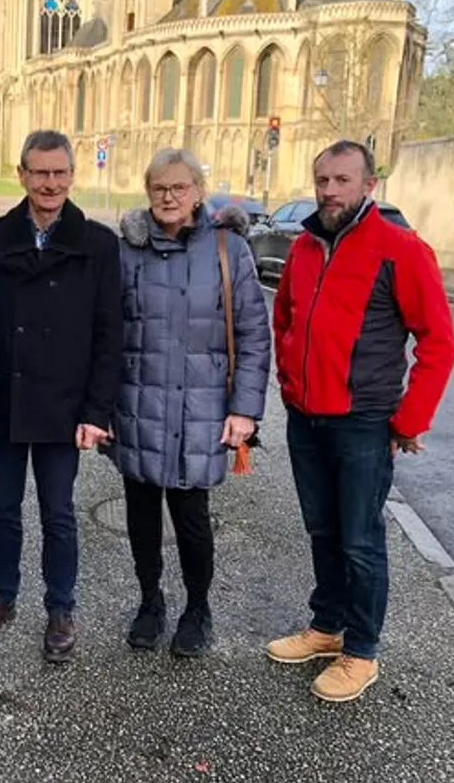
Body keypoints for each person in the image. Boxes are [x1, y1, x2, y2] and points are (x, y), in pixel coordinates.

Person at [267, 140, 454, 702]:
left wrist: (409, 420)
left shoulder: (400, 249)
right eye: (322, 179)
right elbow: (286, 321)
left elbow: (439, 343)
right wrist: (288, 382)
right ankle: (326, 627)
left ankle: (362, 651)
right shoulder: (304, 246)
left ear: (369, 185)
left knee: (360, 541)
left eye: (342, 180)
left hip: (362, 423)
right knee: (321, 529)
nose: (329, 190)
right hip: (305, 418)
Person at [0, 130, 122, 663]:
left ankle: (60, 607)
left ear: (72, 176)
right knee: (3, 510)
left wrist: (97, 412)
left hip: (64, 405)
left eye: (59, 173)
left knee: (59, 513)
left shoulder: (99, 244)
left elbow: (109, 334)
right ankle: (2, 595)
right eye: (39, 172)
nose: (49, 183)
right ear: (22, 174)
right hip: (7, 400)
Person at [110, 148, 270, 657]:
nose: (169, 197)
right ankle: (150, 601)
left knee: (192, 517)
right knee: (140, 513)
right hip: (138, 402)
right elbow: (105, 330)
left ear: (199, 191)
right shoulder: (127, 251)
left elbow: (252, 334)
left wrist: (245, 409)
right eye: (159, 188)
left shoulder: (229, 250)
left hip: (200, 408)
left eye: (180, 187)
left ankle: (197, 609)